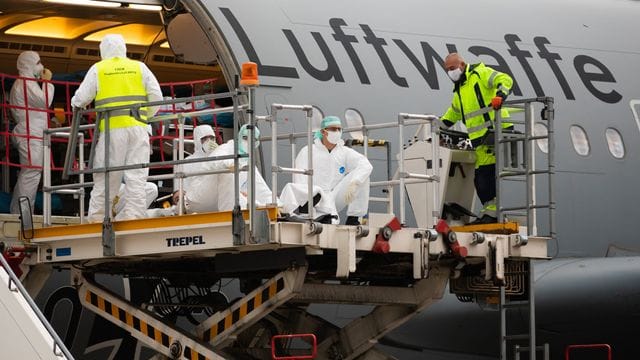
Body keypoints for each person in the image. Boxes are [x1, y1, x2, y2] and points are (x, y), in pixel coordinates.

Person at [71, 34, 163, 222]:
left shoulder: (99, 68)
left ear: (103, 50)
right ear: (124, 48)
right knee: (136, 179)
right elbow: (156, 97)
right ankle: (133, 219)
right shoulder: (139, 67)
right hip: (138, 129)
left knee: (107, 178)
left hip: (112, 132)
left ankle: (97, 221)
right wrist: (145, 116)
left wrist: (75, 105)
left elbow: (80, 99)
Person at [440, 52, 513, 224]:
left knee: (485, 175)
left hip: (495, 131)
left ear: (462, 65)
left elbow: (505, 79)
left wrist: (500, 96)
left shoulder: (479, 74)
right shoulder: (459, 91)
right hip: (480, 140)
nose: (450, 72)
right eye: (447, 70)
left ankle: (493, 214)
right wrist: (436, 127)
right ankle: (491, 212)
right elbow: (453, 113)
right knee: (480, 177)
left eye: (452, 68)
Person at [281, 116, 372, 225]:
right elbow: (300, 180)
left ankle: (354, 218)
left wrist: (355, 182)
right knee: (312, 196)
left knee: (363, 176)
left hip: (334, 196)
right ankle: (311, 214)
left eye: (339, 129)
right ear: (323, 132)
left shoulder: (344, 152)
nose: (337, 132)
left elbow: (365, 164)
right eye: (333, 129)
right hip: (314, 199)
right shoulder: (308, 151)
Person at [9, 51, 54, 214]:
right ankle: (22, 212)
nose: (41, 66)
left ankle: (20, 211)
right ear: (28, 64)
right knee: (31, 172)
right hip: (30, 133)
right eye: (38, 62)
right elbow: (44, 101)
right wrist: (47, 82)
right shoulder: (26, 83)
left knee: (31, 172)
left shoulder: (25, 83)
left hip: (32, 132)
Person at [170, 124, 220, 214]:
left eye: (212, 138)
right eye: (205, 139)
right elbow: (178, 194)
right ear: (197, 141)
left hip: (218, 203)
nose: (209, 142)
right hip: (195, 206)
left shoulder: (222, 159)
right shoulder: (186, 163)